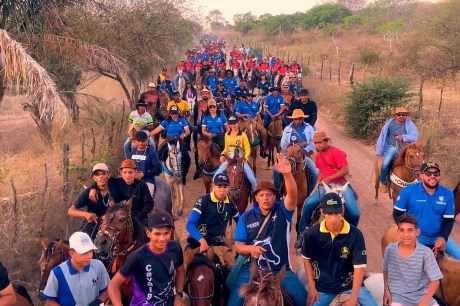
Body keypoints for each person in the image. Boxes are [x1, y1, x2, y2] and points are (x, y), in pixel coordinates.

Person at [228, 157, 308, 306]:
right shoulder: (246, 217)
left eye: (269, 195)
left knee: (303, 299)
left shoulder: (283, 211)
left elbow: (293, 196)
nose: (265, 198)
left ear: (275, 197)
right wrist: (250, 249)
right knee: (233, 302)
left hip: (281, 271)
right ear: (256, 198)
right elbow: (238, 246)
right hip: (251, 270)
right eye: (261, 195)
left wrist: (287, 174)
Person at [301, 193, 377, 306]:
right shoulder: (311, 234)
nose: (333, 218)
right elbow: (307, 259)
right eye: (329, 213)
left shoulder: (356, 235)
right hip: (324, 288)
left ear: (341, 211)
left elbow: (359, 268)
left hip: (350, 286)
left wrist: (353, 299)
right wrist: (312, 287)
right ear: (322, 212)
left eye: (336, 213)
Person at [108, 209, 185, 306]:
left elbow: (180, 270)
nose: (162, 239)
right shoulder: (137, 257)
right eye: (157, 234)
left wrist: (178, 295)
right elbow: (113, 285)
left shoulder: (175, 248)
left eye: (166, 233)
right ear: (148, 233)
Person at [393, 162, 460, 259]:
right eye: (428, 173)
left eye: (436, 173)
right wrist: (409, 234)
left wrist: (444, 238)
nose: (432, 176)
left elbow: (448, 220)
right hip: (417, 236)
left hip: (438, 236)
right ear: (421, 175)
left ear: (439, 176)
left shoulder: (448, 194)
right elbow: (397, 214)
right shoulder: (407, 191)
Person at [299, 130, 360, 233]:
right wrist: (315, 187)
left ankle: (352, 233)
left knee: (355, 213)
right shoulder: (318, 156)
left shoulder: (337, 153)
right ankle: (302, 233)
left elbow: (345, 170)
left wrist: (329, 178)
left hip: (341, 185)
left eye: (320, 142)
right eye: (316, 143)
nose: (317, 145)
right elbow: (321, 172)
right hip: (324, 185)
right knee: (308, 204)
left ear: (326, 141)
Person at [185, 173, 239, 274]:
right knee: (184, 268)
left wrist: (240, 240)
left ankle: (227, 289)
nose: (222, 189)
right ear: (213, 186)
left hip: (218, 243)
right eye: (219, 186)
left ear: (228, 188)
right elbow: (189, 224)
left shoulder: (230, 203)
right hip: (196, 242)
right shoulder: (203, 200)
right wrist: (201, 240)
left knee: (232, 268)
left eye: (225, 186)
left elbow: (240, 223)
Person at [383, 213, 442, 306]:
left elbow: (435, 280)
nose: (406, 234)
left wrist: (425, 301)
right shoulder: (390, 250)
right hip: (398, 296)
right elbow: (386, 270)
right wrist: (386, 290)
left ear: (417, 232)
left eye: (410, 230)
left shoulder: (426, 253)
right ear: (398, 231)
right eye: (402, 230)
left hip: (421, 296)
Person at [43, 232, 110, 306]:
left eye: (90, 251)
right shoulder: (57, 273)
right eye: (84, 253)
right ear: (72, 253)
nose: (89, 256)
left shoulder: (98, 266)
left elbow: (107, 290)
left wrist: (98, 302)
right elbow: (50, 301)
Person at [89, 159, 154, 227]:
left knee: (145, 231)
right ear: (121, 173)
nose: (127, 175)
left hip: (138, 214)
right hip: (121, 214)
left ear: (135, 172)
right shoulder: (118, 182)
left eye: (130, 172)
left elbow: (149, 203)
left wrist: (139, 216)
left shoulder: (141, 185)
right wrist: (93, 188)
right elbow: (102, 180)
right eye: (125, 172)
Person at [68, 163, 118, 239]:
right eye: (97, 175)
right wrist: (86, 214)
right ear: (94, 178)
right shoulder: (88, 192)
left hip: (111, 225)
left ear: (108, 175)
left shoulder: (116, 188)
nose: (101, 177)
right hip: (92, 225)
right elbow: (71, 211)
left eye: (104, 173)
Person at [376, 107, 419, 193]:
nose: (401, 116)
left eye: (403, 114)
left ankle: (420, 183)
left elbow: (415, 135)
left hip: (406, 147)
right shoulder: (389, 123)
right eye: (399, 114)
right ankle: (383, 182)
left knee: (419, 160)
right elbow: (382, 136)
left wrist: (404, 137)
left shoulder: (409, 124)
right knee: (385, 162)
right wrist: (379, 150)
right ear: (395, 115)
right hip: (392, 147)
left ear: (406, 116)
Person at [213, 114, 256, 193]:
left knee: (252, 180)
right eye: (231, 124)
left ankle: (254, 196)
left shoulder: (243, 135)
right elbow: (226, 148)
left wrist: (245, 158)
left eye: (234, 123)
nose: (233, 125)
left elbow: (247, 148)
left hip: (241, 160)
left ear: (238, 123)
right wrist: (222, 154)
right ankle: (217, 195)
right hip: (229, 159)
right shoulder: (226, 135)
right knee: (216, 175)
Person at [150, 105, 191, 185]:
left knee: (187, 159)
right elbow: (157, 129)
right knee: (158, 155)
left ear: (178, 113)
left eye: (176, 113)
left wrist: (184, 135)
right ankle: (156, 174)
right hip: (169, 140)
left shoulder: (182, 121)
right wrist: (148, 135)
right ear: (170, 113)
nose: (174, 115)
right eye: (172, 113)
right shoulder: (166, 121)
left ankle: (184, 175)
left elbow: (188, 131)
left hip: (179, 141)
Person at [280, 109, 317, 191]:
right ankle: (278, 193)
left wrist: (306, 150)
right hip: (290, 155)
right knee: (277, 171)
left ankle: (311, 191)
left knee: (315, 172)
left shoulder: (309, 128)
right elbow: (282, 144)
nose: (298, 121)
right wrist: (291, 149)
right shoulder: (287, 129)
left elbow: (312, 142)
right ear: (293, 119)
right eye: (295, 119)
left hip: (304, 155)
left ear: (303, 119)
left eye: (300, 119)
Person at [130, 131, 162, 197]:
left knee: (147, 198)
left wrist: (144, 174)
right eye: (138, 141)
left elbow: (158, 168)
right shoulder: (133, 152)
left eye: (143, 141)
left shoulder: (152, 153)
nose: (140, 143)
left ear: (147, 141)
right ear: (135, 141)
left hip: (148, 181)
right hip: (132, 181)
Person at [192, 88, 213, 180]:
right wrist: (195, 125)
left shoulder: (212, 103)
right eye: (203, 94)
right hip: (200, 127)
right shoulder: (197, 104)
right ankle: (198, 169)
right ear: (201, 94)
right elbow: (195, 115)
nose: (205, 95)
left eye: (206, 94)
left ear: (208, 94)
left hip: (210, 127)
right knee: (198, 149)